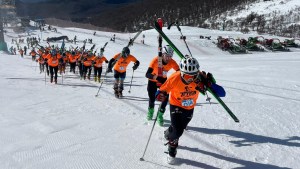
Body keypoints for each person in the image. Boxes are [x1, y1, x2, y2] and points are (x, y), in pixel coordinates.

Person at [155, 56, 225, 163]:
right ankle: (172, 148)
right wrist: (160, 95)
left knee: (179, 128)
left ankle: (169, 133)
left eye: (193, 75)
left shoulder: (199, 79)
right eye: (187, 76)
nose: (190, 79)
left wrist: (209, 84)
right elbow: (161, 91)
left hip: (190, 108)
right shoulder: (175, 78)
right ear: (182, 72)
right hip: (176, 105)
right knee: (178, 132)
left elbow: (222, 93)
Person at [145, 45, 179, 126]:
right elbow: (147, 74)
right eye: (167, 56)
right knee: (152, 98)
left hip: (163, 82)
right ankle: (151, 111)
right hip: (152, 81)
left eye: (170, 56)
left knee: (165, 99)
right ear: (163, 54)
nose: (168, 58)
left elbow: (179, 72)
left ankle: (160, 115)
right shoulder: (156, 60)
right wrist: (156, 77)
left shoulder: (172, 62)